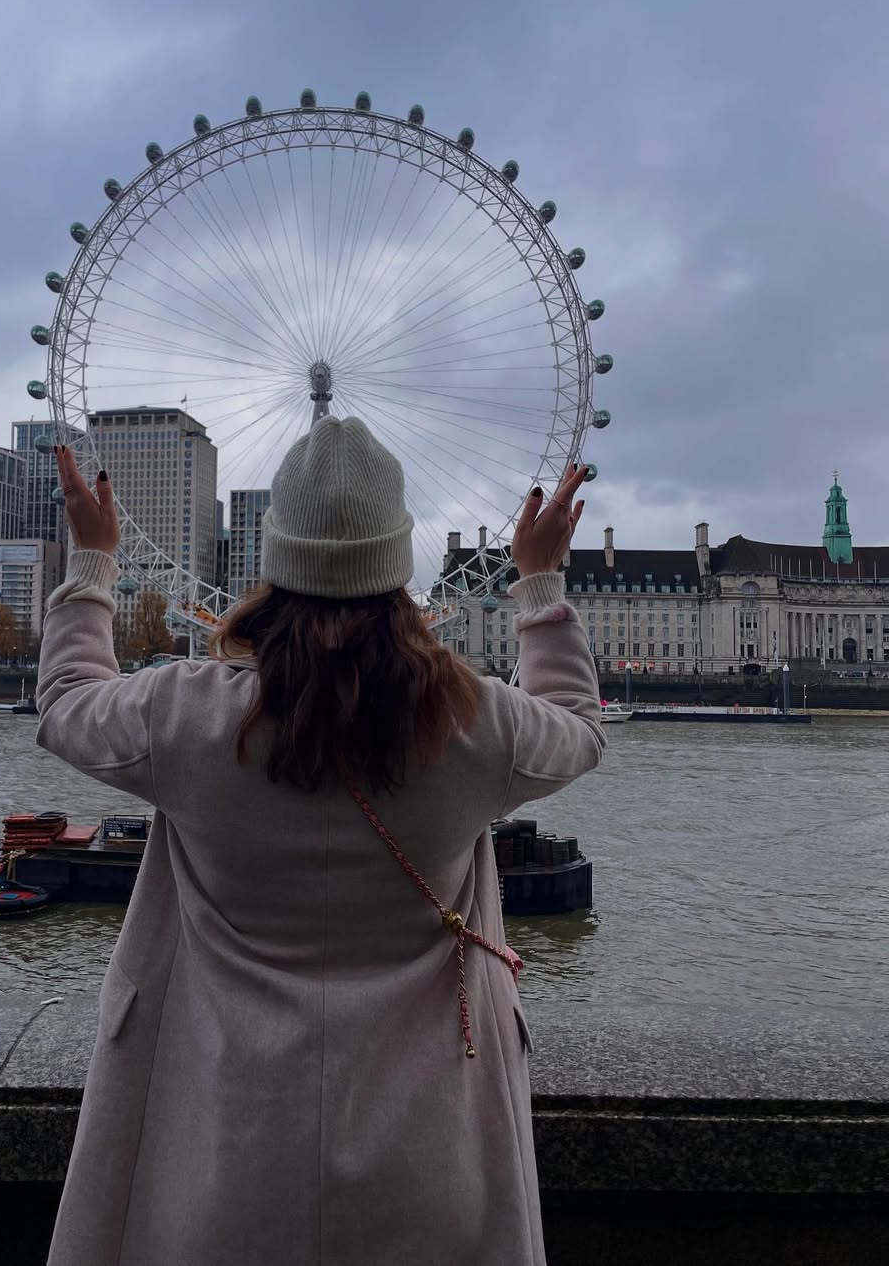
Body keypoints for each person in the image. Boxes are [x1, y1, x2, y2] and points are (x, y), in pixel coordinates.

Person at [37, 419, 604, 1266]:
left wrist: (92, 564)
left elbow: (67, 700)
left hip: (223, 1139)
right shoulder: (476, 725)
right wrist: (540, 584)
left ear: (276, 559)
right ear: (397, 564)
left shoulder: (182, 715)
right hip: (427, 1147)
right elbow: (579, 728)